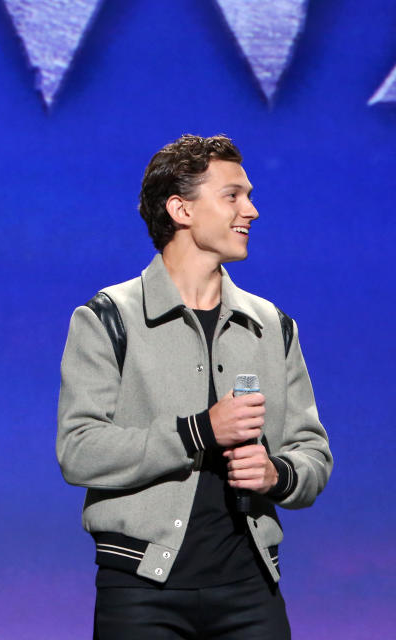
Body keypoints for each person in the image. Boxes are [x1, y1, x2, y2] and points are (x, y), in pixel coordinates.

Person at [57, 134, 332, 639]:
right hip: (142, 590)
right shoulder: (108, 319)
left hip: (251, 588)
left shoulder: (272, 325)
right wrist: (199, 432)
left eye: (247, 195)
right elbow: (78, 451)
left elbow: (312, 451)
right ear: (180, 209)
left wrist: (278, 475)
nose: (251, 210)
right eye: (233, 196)